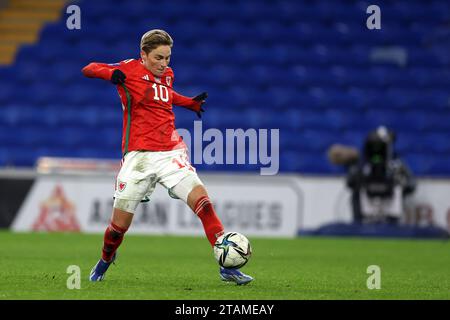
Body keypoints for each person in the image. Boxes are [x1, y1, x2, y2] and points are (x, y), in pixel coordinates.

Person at [81, 29, 253, 285]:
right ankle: (105, 259)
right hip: (139, 157)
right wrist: (111, 73)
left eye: (168, 58)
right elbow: (89, 68)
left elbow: (166, 96)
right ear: (144, 54)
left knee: (203, 203)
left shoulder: (168, 75)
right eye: (159, 58)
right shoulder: (129, 69)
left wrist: (189, 103)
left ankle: (225, 266)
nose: (164, 64)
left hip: (171, 153)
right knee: (118, 227)